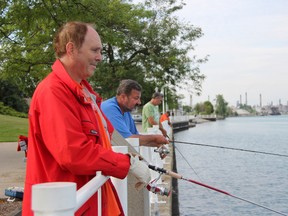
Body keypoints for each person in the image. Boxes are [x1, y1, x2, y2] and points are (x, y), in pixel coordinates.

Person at [22, 21, 150, 216]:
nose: (99, 57)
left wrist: (134, 159)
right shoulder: (53, 92)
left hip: (92, 203)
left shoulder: (86, 94)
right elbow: (73, 153)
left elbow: (108, 136)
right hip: (67, 207)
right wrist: (126, 163)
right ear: (71, 49)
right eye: (94, 50)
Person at [101, 79, 169, 147]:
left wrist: (157, 144)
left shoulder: (125, 110)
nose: (139, 102)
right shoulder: (110, 108)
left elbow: (135, 137)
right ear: (123, 97)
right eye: (136, 98)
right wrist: (155, 138)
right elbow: (126, 139)